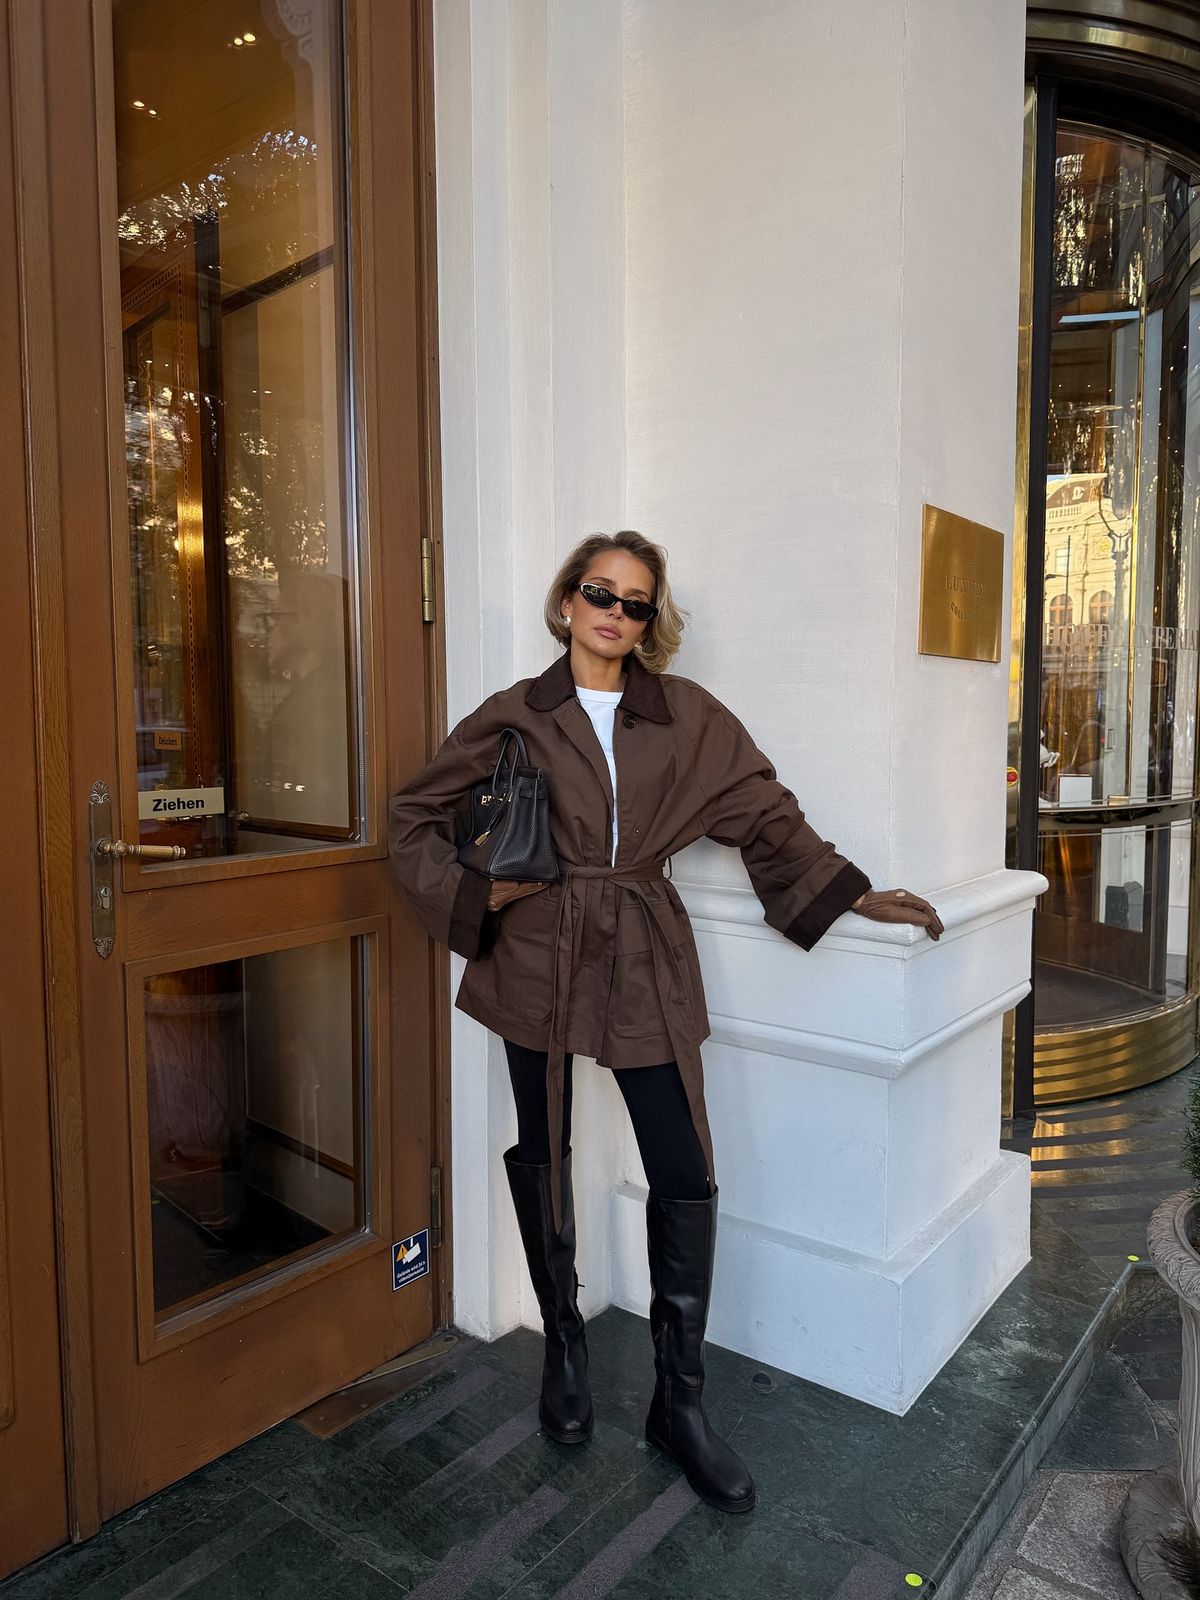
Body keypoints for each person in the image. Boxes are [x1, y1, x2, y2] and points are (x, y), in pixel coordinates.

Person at [388, 530, 943, 1516]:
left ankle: (678, 1405)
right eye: (599, 592)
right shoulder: (514, 713)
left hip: (641, 943)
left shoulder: (686, 715)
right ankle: (564, 1347)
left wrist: (852, 892)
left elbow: (763, 810)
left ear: (651, 622)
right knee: (544, 1145)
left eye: (636, 601)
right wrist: (480, 894)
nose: (616, 612)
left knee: (682, 1166)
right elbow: (412, 819)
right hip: (535, 950)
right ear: (567, 602)